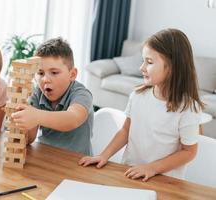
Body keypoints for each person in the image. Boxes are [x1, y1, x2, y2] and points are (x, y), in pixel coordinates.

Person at [79, 28, 204, 181]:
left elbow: (189, 152)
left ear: (172, 68)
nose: (142, 68)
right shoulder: (138, 95)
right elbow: (125, 131)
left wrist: (152, 168)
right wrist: (104, 155)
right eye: (143, 61)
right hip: (130, 172)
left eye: (149, 62)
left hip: (164, 180)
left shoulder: (188, 109)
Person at [11, 37, 93, 155]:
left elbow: (72, 119)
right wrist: (20, 116)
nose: (45, 79)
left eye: (54, 73)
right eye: (40, 73)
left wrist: (36, 115)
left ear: (72, 74)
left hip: (76, 163)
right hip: (45, 159)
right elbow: (29, 139)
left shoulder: (81, 93)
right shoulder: (37, 93)